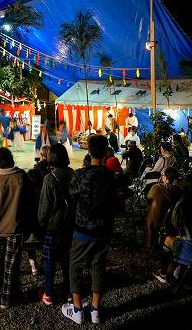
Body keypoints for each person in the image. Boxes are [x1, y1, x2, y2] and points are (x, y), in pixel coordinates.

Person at [63, 135, 116, 325]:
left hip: (83, 229)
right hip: (104, 229)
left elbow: (71, 196)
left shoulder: (80, 175)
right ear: (105, 152)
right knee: (98, 266)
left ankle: (77, 309)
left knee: (75, 266)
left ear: (89, 151)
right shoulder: (110, 176)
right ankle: (95, 309)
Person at [0, 148, 36, 308]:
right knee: (11, 264)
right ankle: (6, 298)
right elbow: (31, 198)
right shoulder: (21, 177)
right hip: (15, 226)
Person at [154, 174, 192, 284]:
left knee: (167, 239)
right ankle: (177, 268)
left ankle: (163, 273)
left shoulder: (182, 205)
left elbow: (174, 225)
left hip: (190, 249)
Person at [38, 144, 75, 305]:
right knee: (67, 261)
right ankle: (69, 292)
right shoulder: (73, 174)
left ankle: (48, 293)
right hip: (71, 225)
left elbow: (44, 208)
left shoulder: (49, 179)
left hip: (53, 227)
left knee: (50, 261)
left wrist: (41, 224)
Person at [145, 167, 179, 250]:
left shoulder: (157, 188)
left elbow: (149, 201)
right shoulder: (179, 191)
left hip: (160, 220)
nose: (162, 176)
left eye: (163, 175)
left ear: (167, 179)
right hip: (175, 219)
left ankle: (150, 244)